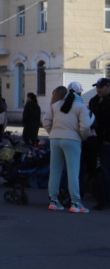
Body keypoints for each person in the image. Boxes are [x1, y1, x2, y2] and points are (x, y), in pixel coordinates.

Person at [43, 85, 93, 213]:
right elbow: (86, 126)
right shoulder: (81, 107)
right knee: (73, 172)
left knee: (55, 171)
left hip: (55, 139)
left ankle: (53, 201)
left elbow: (46, 121)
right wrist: (82, 137)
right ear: (79, 94)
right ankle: (75, 202)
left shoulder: (55, 105)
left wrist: (52, 133)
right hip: (72, 140)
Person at [88, 78, 110, 210]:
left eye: (101, 87)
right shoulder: (93, 101)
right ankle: (101, 198)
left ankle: (106, 199)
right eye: (97, 87)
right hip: (93, 139)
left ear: (108, 87)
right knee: (95, 170)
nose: (98, 89)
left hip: (106, 142)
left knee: (106, 170)